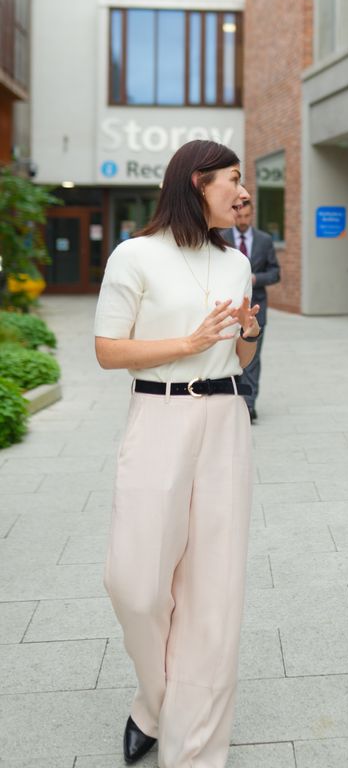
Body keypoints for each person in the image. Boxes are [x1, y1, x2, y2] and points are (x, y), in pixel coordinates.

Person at [94, 140, 261, 768]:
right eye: (232, 180)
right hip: (158, 414)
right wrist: (186, 343)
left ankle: (194, 747)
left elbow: (239, 357)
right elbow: (108, 350)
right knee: (134, 584)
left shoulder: (235, 262)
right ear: (197, 183)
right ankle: (156, 701)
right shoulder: (134, 255)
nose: (242, 192)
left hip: (225, 419)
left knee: (213, 588)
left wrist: (250, 334)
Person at [222, 199, 280, 421]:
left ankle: (249, 403)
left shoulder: (264, 240)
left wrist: (257, 278)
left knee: (252, 358)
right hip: (229, 310)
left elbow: (275, 273)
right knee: (230, 356)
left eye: (247, 216)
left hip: (257, 308)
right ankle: (233, 399)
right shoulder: (222, 238)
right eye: (239, 216)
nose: (243, 221)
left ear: (252, 215)